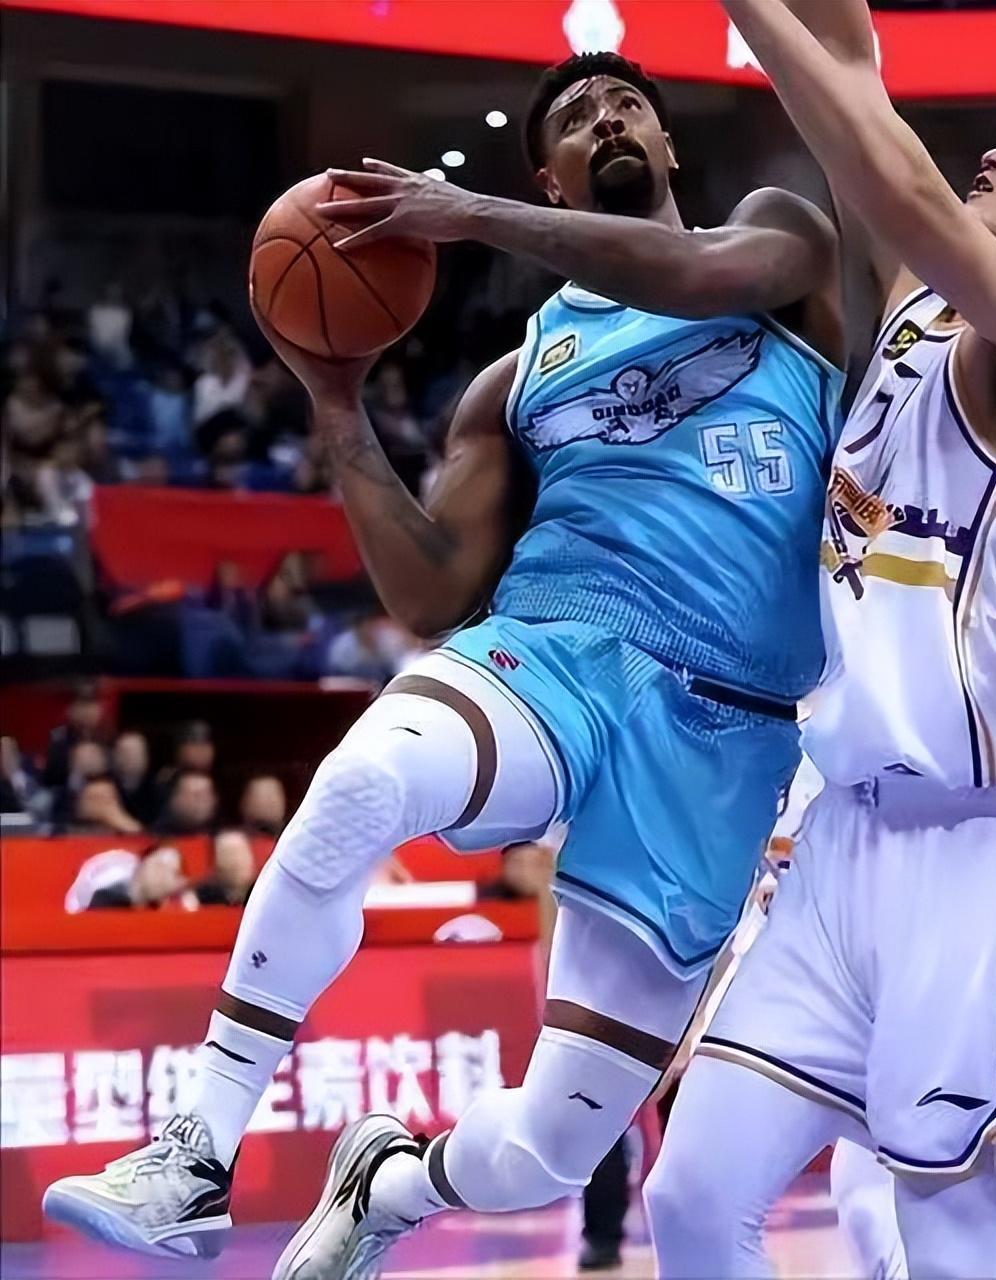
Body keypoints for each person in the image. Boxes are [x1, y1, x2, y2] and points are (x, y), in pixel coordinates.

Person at [43, 49, 843, 1275]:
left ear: (667, 144)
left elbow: (693, 274)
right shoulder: (513, 380)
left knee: (554, 1149)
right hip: (559, 643)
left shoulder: (774, 247)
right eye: (575, 117)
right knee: (361, 782)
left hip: (729, 728)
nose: (606, 118)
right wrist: (336, 402)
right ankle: (192, 1153)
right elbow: (427, 592)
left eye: (626, 104)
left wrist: (466, 214)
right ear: (551, 176)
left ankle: (391, 1182)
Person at [644, 4, 996, 1277]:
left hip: (986, 845)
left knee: (947, 1238)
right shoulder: (916, 305)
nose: (994, 151)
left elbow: (901, 186)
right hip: (844, 837)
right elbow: (854, 83)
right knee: (691, 1194)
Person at [196, 830, 258, 907]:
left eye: (239, 854)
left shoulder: (262, 893)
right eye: (227, 855)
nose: (235, 862)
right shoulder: (201, 898)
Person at [154, 770, 219, 836]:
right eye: (187, 795)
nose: (194, 803)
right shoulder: (155, 836)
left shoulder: (219, 839)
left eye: (202, 796)